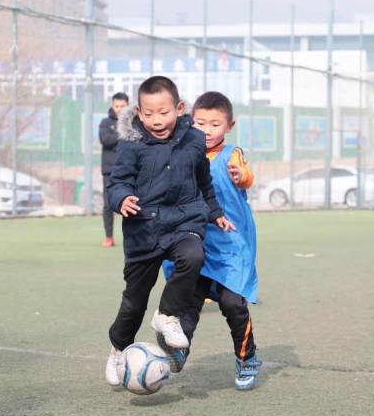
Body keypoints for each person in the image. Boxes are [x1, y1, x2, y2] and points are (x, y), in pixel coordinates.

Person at [104, 76, 233, 386]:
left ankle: (167, 316)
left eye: (163, 113)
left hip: (183, 221)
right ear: (138, 111)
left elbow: (204, 181)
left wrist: (214, 212)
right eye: (148, 114)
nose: (156, 121)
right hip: (143, 230)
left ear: (179, 108)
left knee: (193, 255)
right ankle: (118, 350)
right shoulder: (131, 143)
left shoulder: (194, 139)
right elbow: (116, 182)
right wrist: (122, 198)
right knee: (134, 303)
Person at [163, 91, 262, 390]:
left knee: (233, 303)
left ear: (229, 126)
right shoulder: (182, 153)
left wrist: (240, 175)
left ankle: (246, 357)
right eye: (201, 123)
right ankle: (179, 349)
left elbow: (245, 175)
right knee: (190, 300)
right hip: (197, 242)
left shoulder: (232, 154)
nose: (207, 130)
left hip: (230, 245)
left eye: (215, 124)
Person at [99, 92, 129, 247]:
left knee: (131, 203)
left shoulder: (134, 122)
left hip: (129, 169)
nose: (119, 109)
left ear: (127, 106)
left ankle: (132, 238)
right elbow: (106, 140)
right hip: (109, 170)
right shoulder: (105, 122)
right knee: (108, 204)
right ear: (113, 106)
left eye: (122, 106)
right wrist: (123, 132)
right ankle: (109, 237)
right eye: (116, 106)